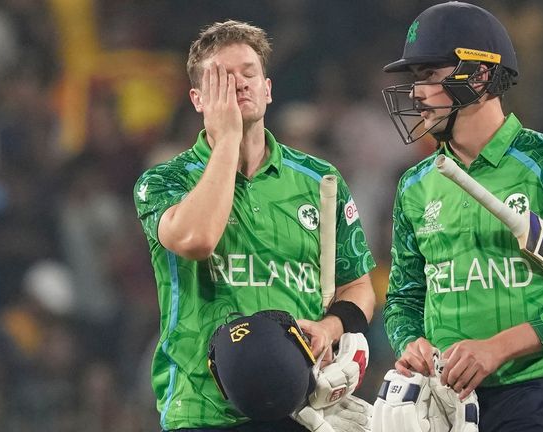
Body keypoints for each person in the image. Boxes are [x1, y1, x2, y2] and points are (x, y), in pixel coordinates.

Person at [380, 2, 543, 431]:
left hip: (541, 390)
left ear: (478, 77)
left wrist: (497, 348)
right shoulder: (414, 185)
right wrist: (410, 343)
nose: (417, 93)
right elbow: (403, 299)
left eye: (430, 75)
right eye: (414, 79)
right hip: (447, 403)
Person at [133, 20, 376, 431]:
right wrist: (227, 141)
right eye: (222, 80)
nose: (239, 85)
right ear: (198, 99)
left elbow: (358, 285)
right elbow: (197, 239)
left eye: (248, 73)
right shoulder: (164, 182)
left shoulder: (320, 180)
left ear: (267, 88)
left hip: (303, 409)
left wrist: (329, 326)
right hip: (203, 411)